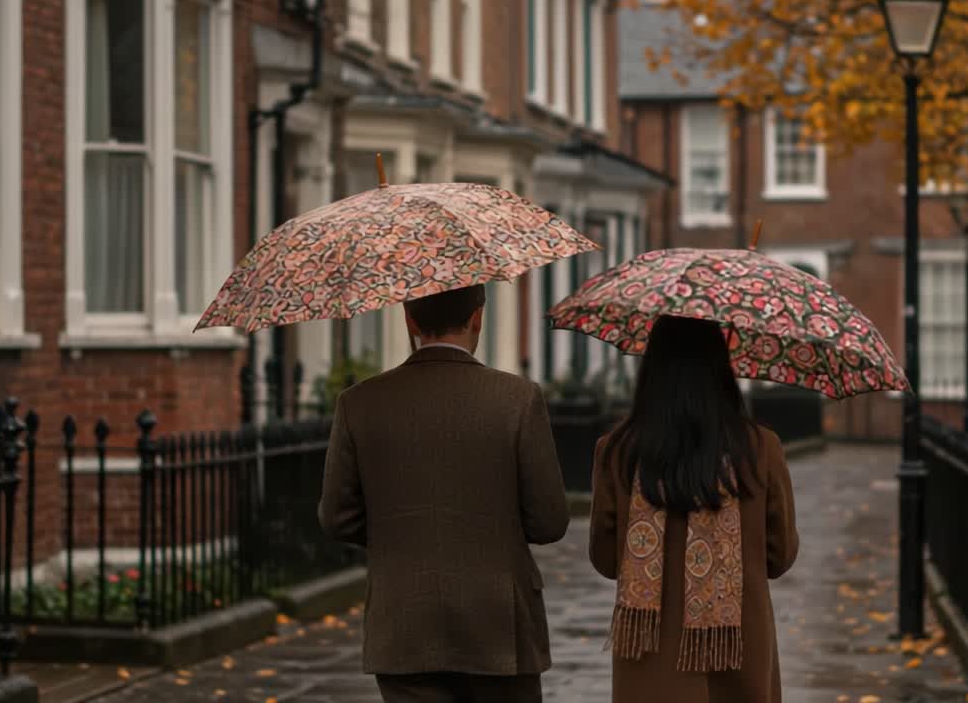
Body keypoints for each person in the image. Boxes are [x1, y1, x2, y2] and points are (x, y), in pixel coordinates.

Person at [319, 284, 569, 703]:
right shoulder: (518, 400)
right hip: (499, 624)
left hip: (403, 622)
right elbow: (549, 521)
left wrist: (402, 533)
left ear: (409, 320)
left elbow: (336, 516)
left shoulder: (358, 403)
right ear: (478, 317)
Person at [589, 315, 799, 703]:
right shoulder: (761, 448)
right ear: (720, 369)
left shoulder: (618, 450)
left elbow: (605, 559)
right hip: (740, 653)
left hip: (649, 660)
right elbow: (780, 556)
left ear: (652, 369)